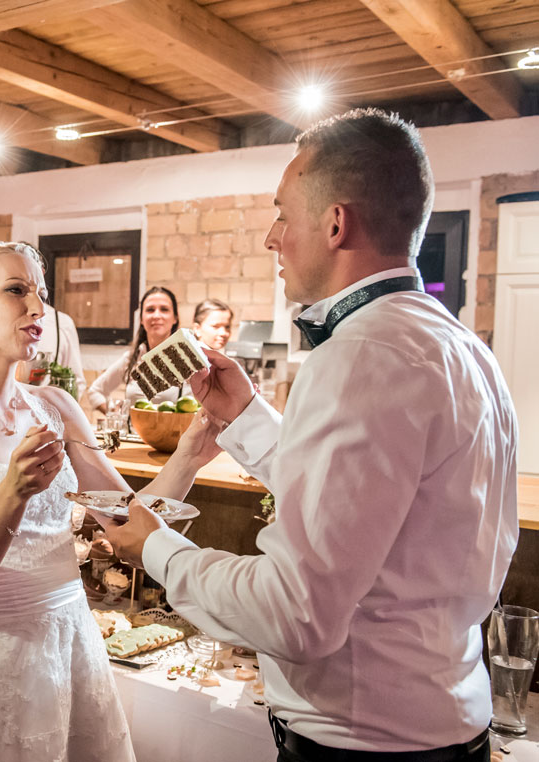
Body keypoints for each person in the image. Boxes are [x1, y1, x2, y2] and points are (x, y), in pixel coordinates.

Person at [107, 109, 518, 761]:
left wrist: (158, 550)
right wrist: (244, 420)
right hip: (449, 722)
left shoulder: (361, 356)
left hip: (362, 743)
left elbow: (296, 614)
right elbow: (372, 509)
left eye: (282, 214)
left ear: (335, 224)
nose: (273, 237)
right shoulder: (461, 346)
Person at [0, 241, 220, 761]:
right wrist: (13, 492)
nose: (38, 309)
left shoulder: (57, 406)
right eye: (16, 290)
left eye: (40, 294)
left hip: (69, 644)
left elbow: (128, 522)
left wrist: (190, 455)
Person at [88, 285, 184, 412]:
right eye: (150, 310)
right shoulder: (131, 359)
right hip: (133, 432)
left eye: (164, 309)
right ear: (142, 319)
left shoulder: (185, 361)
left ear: (175, 318)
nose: (156, 315)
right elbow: (95, 391)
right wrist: (114, 413)